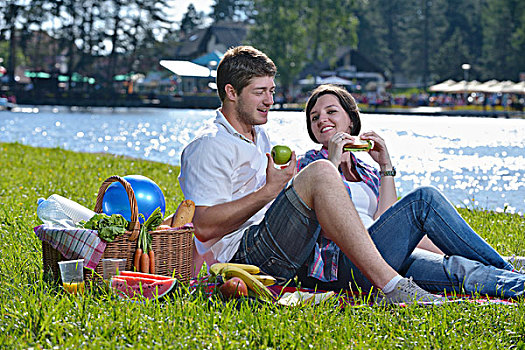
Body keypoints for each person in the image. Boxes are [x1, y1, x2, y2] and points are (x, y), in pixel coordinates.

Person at [179, 45, 442, 304]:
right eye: (260, 92)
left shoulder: (259, 136)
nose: (270, 101)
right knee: (322, 170)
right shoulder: (209, 145)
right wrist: (269, 191)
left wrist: (284, 189)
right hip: (244, 256)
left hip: (279, 244)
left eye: (271, 91)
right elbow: (203, 226)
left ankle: (466, 266)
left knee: (423, 213)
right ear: (231, 92)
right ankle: (391, 286)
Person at [294, 84, 525, 298]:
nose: (321, 119)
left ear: (351, 121)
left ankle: (518, 283)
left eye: (331, 112)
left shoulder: (366, 170)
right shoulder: (309, 166)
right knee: (424, 200)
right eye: (314, 117)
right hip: (346, 265)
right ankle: (507, 268)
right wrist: (332, 161)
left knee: (459, 269)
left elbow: (384, 220)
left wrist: (385, 166)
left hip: (384, 257)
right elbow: (321, 223)